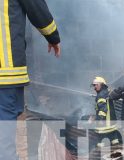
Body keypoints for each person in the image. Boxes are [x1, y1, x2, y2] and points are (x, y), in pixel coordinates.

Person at [0, 0, 60, 159]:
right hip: (6, 73)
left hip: (8, 75)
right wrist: (53, 36)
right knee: (5, 120)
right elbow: (36, 7)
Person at [92, 77, 119, 147]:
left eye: (96, 85)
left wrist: (98, 120)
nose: (95, 87)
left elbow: (103, 109)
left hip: (104, 124)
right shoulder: (107, 92)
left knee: (100, 142)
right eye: (94, 85)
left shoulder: (101, 95)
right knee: (114, 140)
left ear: (102, 84)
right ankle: (116, 154)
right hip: (111, 123)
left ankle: (100, 156)